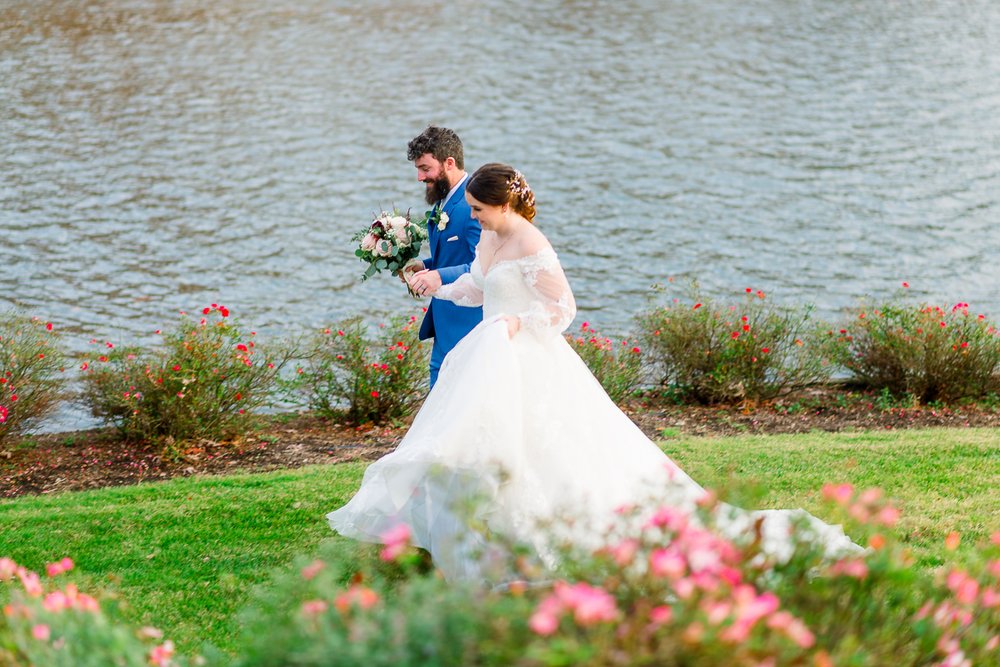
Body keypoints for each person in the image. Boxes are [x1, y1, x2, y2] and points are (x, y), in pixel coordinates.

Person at [328, 163, 859, 583]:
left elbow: (563, 311)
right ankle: (483, 531)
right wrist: (433, 286)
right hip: (488, 355)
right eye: (471, 208)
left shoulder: (532, 245)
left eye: (480, 208)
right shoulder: (488, 240)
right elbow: (474, 286)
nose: (475, 216)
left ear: (505, 203)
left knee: (547, 447)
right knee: (478, 442)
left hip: (526, 356)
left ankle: (551, 534)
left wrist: (517, 321)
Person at [402, 126, 483, 387]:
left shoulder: (475, 204)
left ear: (449, 163)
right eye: (417, 169)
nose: (419, 177)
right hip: (445, 323)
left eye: (425, 168)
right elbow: (451, 256)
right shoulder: (445, 200)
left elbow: (483, 266)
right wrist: (423, 266)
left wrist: (438, 275)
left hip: (468, 324)